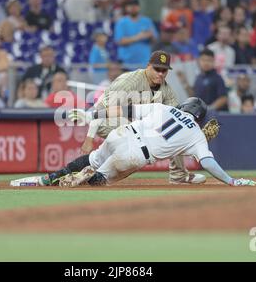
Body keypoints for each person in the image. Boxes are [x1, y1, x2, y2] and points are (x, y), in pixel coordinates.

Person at [29, 98, 255, 187]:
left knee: (92, 158)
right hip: (136, 154)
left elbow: (125, 109)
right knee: (98, 181)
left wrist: (94, 116)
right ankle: (87, 176)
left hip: (121, 134)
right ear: (199, 117)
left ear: (185, 107)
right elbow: (207, 163)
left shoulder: (163, 108)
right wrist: (231, 181)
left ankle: (56, 175)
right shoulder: (196, 133)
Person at [77, 50, 210, 185]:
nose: (160, 73)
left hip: (136, 127)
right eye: (157, 69)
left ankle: (178, 175)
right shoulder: (129, 81)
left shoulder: (167, 91)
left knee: (174, 132)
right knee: (127, 152)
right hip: (110, 121)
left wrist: (196, 134)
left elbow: (177, 120)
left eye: (164, 70)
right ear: (148, 66)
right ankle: (89, 172)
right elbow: (101, 108)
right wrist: (89, 138)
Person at [114, 0, 158, 70]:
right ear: (126, 8)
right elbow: (120, 41)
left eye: (135, 6)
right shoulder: (121, 22)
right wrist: (139, 36)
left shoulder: (147, 21)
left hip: (144, 62)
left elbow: (154, 39)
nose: (133, 8)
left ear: (139, 7)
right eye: (130, 6)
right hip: (126, 63)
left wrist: (151, 35)